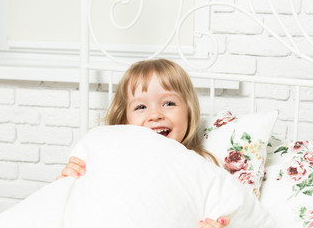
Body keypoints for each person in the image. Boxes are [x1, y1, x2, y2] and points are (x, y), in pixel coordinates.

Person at [59, 58, 229, 228]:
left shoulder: (202, 165)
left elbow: (224, 206)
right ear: (124, 120)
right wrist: (68, 180)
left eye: (169, 103)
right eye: (141, 107)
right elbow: (80, 203)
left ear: (189, 112)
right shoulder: (111, 156)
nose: (155, 115)